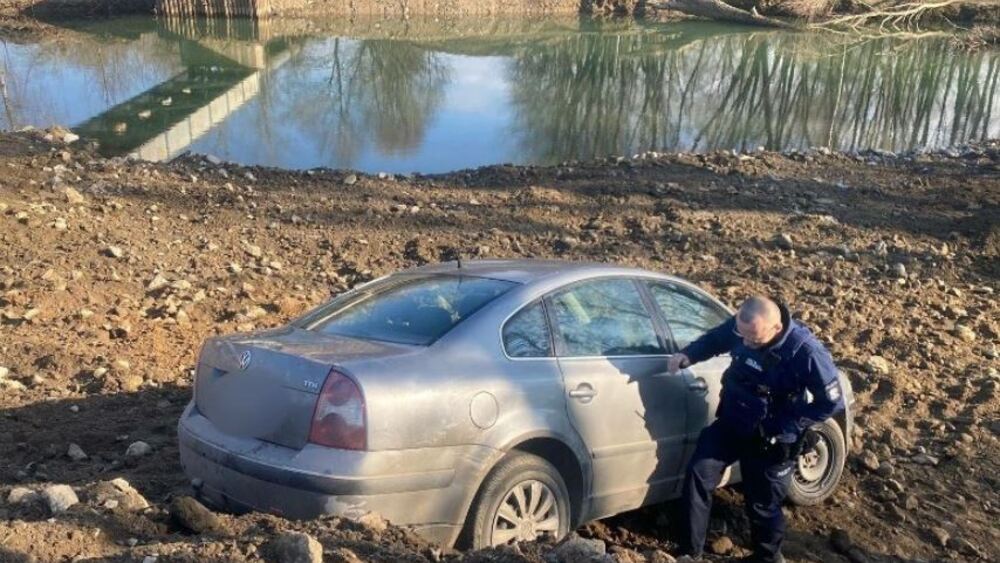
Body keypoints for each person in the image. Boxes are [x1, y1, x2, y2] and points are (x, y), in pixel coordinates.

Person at [666, 296, 845, 563]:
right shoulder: (745, 326)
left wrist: (786, 425)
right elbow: (716, 339)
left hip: (770, 435)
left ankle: (767, 557)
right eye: (743, 336)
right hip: (733, 421)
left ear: (776, 328)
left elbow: (830, 402)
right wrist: (688, 354)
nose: (746, 342)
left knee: (762, 504)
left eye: (754, 340)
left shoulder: (806, 352)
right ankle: (690, 552)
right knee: (698, 473)